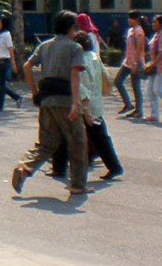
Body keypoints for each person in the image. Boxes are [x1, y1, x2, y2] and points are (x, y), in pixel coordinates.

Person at [10, 10, 90, 196]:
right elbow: (74, 75)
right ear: (71, 28)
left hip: (46, 99)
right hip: (66, 100)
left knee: (46, 143)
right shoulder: (74, 48)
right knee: (77, 143)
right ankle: (78, 185)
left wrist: (35, 92)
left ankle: (24, 168)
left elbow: (27, 66)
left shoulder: (44, 46)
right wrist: (76, 104)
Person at [51, 32, 124, 181]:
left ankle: (59, 168)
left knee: (64, 134)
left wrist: (84, 107)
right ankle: (114, 166)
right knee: (100, 137)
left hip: (84, 105)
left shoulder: (80, 60)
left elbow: (81, 86)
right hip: (95, 103)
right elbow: (105, 77)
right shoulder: (95, 57)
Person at [114, 9, 147, 118]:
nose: (128, 20)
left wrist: (136, 63)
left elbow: (139, 48)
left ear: (136, 19)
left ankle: (139, 110)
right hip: (127, 61)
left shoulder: (139, 31)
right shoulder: (130, 31)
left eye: (130, 18)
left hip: (135, 62)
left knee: (135, 86)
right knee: (118, 81)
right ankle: (128, 104)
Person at [0, 16, 23, 112]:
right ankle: (16, 97)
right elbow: (1, 46)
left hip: (4, 61)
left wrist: (13, 62)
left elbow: (10, 48)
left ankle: (1, 104)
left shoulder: (7, 34)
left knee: (1, 84)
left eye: (0, 22)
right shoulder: (1, 34)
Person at [144, 14, 162, 123]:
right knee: (150, 91)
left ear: (161, 24)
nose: (152, 24)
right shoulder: (156, 35)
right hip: (154, 67)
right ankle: (154, 115)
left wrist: (152, 64)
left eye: (155, 22)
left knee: (158, 90)